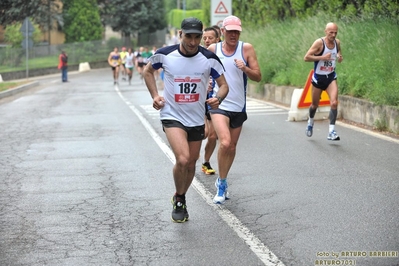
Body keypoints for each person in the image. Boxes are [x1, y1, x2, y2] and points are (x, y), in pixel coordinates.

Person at [143, 17, 229, 223]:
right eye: (188, 36)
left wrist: (218, 98)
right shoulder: (165, 55)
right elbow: (148, 71)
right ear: (180, 34)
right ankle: (180, 199)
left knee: (191, 163)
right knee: (182, 159)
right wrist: (155, 96)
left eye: (197, 37)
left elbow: (224, 85)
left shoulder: (208, 58)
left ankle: (180, 195)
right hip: (172, 115)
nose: (192, 42)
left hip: (196, 117)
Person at [207, 15, 261, 204]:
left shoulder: (246, 49)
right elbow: (202, 71)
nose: (233, 35)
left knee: (232, 147)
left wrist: (245, 68)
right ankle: (221, 184)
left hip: (238, 106)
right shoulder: (213, 49)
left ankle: (223, 178)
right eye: (230, 31)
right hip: (219, 104)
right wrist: (205, 84)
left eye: (236, 32)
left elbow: (258, 76)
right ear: (222, 32)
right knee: (225, 142)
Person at [304, 22, 343, 141]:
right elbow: (306, 57)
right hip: (318, 78)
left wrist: (339, 57)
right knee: (314, 105)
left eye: (335, 32)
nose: (333, 35)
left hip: (331, 77)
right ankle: (310, 122)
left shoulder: (337, 42)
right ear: (325, 31)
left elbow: (338, 53)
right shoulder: (319, 43)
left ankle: (331, 131)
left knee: (334, 103)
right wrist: (322, 57)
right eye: (331, 32)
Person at [201, 27, 221, 175]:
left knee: (213, 135)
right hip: (199, 99)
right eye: (205, 38)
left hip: (214, 99)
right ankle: (189, 154)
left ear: (217, 39)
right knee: (204, 132)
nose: (207, 40)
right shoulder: (198, 54)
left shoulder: (221, 55)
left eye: (210, 38)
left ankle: (206, 162)